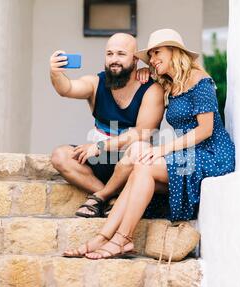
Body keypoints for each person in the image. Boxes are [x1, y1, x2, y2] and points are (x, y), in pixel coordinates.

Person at [63, 29, 236, 259]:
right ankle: (102, 238)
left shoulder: (200, 81)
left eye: (157, 53)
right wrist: (142, 72)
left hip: (212, 154)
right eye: (150, 56)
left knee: (145, 163)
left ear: (174, 52)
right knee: (140, 164)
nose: (153, 60)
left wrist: (161, 150)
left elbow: (205, 130)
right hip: (187, 154)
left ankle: (122, 238)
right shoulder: (169, 83)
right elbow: (142, 78)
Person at [50, 33, 164, 219]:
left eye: (121, 54)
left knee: (138, 148)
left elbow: (141, 134)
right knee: (60, 155)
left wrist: (100, 146)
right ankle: (110, 197)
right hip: (100, 160)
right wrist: (55, 72)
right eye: (109, 54)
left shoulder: (152, 90)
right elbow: (67, 88)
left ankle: (98, 198)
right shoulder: (96, 83)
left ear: (135, 59)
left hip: (131, 164)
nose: (114, 60)